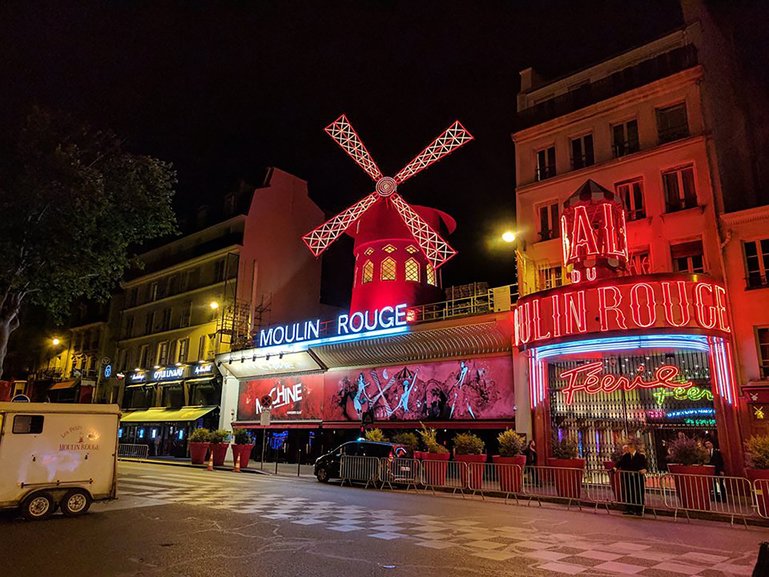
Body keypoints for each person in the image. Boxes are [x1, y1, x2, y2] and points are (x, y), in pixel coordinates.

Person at [616, 440, 647, 516]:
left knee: (638, 493)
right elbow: (619, 463)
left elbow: (645, 465)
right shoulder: (625, 456)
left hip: (637, 478)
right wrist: (615, 468)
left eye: (629, 447)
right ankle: (630, 509)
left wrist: (644, 469)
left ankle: (639, 510)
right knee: (629, 493)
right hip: (628, 478)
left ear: (633, 448)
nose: (627, 449)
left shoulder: (641, 456)